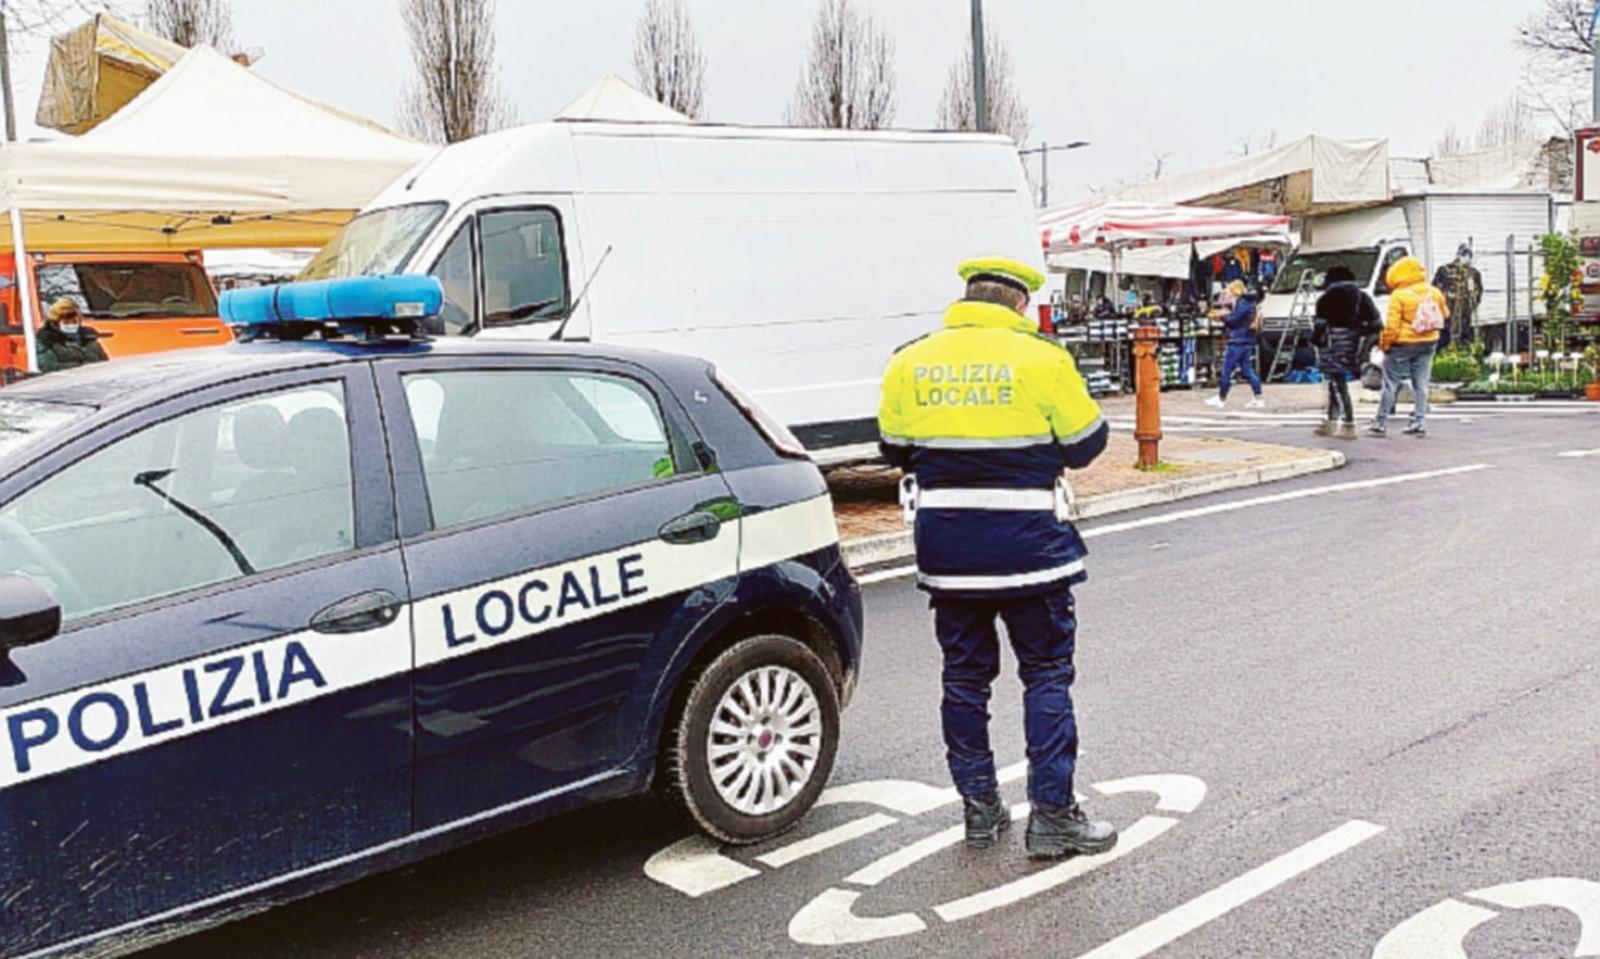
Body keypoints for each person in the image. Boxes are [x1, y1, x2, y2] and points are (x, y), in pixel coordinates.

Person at [878, 256, 1117, 861]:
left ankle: (981, 811)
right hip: (1031, 552)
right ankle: (1053, 817)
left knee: (964, 678)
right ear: (1019, 305)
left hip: (948, 552)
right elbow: (1087, 444)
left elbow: (893, 449)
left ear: (968, 299)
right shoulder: (1044, 359)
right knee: (1045, 674)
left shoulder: (911, 360)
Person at [1370, 256, 1448, 437]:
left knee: (1390, 383)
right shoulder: (1434, 292)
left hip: (1402, 344)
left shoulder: (1399, 296)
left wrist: (1384, 345)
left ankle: (1380, 422)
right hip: (1429, 342)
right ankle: (1419, 421)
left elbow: (1391, 326)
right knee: (1421, 383)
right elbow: (1445, 313)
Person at [1312, 266, 1383, 439]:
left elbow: (1319, 326)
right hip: (1351, 342)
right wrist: (1358, 332)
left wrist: (1315, 341)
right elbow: (1376, 324)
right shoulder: (1361, 297)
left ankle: (1346, 422)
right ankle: (1332, 420)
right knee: (1337, 381)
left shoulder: (1325, 299)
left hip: (1331, 343)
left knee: (1336, 383)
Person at [1205, 280, 1265, 409]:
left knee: (1227, 369)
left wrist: (1221, 317)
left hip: (1238, 341)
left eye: (1229, 291)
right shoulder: (1248, 302)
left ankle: (1221, 398)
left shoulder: (1243, 303)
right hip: (1246, 340)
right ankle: (1258, 397)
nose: (1227, 294)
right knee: (1247, 370)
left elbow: (1234, 320)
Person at [36, 298, 108, 373]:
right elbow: (49, 367)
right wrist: (82, 367)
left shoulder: (89, 338)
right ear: (55, 323)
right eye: (66, 322)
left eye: (74, 322)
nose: (71, 325)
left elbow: (104, 363)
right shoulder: (46, 341)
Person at [1432, 244, 1483, 348]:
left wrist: (1470, 305)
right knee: (1444, 340)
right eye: (1464, 254)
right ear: (1458, 255)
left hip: (1464, 316)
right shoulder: (1445, 270)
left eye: (1469, 255)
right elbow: (1434, 291)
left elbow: (1478, 292)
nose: (1467, 258)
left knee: (1464, 340)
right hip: (1446, 315)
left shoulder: (1473, 273)